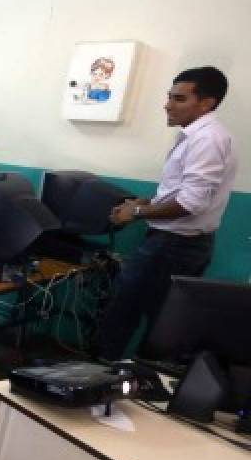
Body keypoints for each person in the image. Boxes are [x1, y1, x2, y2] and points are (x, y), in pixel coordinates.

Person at [94, 66, 238, 360]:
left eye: (179, 99)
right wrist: (146, 201)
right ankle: (131, 382)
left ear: (206, 103)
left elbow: (191, 203)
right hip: (180, 244)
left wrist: (135, 212)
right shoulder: (198, 135)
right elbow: (181, 193)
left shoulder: (206, 139)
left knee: (124, 311)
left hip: (173, 245)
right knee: (158, 316)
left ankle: (97, 379)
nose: (168, 105)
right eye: (169, 96)